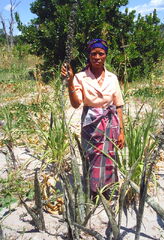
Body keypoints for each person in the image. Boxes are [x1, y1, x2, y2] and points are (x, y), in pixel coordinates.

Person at [61, 39, 125, 199]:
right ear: (88, 56)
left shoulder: (112, 77)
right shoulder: (80, 77)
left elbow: (118, 105)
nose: (97, 57)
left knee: (110, 156)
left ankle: (109, 190)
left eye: (101, 53)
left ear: (106, 55)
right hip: (91, 122)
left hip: (111, 123)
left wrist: (122, 131)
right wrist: (70, 82)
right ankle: (93, 191)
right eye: (93, 53)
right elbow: (76, 104)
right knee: (92, 156)